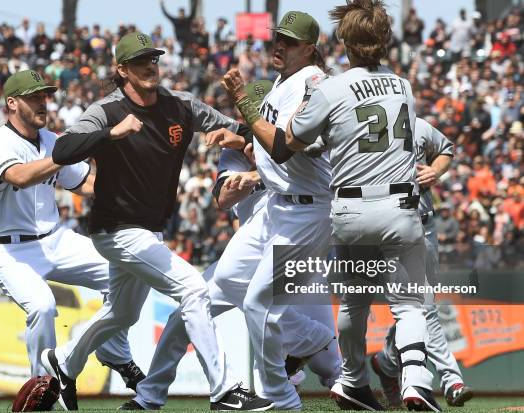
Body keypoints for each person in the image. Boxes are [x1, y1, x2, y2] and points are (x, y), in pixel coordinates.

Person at [222, 0, 441, 410]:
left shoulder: (331, 86)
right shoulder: (403, 87)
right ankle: (415, 379)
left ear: (341, 41)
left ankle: (348, 380)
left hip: (348, 210)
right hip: (400, 205)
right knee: (408, 303)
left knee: (353, 303)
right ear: (386, 41)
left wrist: (244, 104)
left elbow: (286, 146)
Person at [42, 32, 273, 411]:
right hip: (115, 229)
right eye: (140, 61)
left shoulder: (179, 105)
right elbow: (63, 150)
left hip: (148, 230)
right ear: (121, 69)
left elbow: (247, 128)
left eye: (153, 58)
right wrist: (111, 134)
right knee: (194, 290)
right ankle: (225, 389)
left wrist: (234, 136)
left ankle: (64, 362)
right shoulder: (107, 111)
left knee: (122, 313)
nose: (150, 65)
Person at [126, 80, 340, 410]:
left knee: (331, 367)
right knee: (185, 315)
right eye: (249, 114)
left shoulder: (298, 146)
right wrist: (250, 157)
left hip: (294, 255)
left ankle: (357, 383)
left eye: (261, 114)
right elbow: (224, 198)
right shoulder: (235, 152)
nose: (256, 120)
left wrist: (261, 170)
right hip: (248, 257)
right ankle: (149, 395)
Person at [0, 70, 144, 410]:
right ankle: (43, 391)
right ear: (12, 103)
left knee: (127, 268)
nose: (43, 102)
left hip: (54, 239)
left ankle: (113, 352)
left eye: (45, 95)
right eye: (34, 96)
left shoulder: (50, 140)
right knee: (42, 306)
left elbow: (81, 182)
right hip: (8, 248)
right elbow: (20, 177)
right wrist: (76, 149)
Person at [209, 11, 338, 409]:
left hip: (307, 210)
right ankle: (315, 342)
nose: (278, 46)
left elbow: (282, 147)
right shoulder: (284, 82)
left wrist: (243, 102)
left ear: (310, 48)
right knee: (229, 279)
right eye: (275, 39)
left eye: (289, 41)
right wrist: (243, 137)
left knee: (259, 304)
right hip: (279, 207)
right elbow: (268, 144)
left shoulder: (314, 82)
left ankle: (282, 394)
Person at [372, 118, 474, 408]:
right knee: (425, 305)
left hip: (426, 225)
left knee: (416, 307)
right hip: (392, 228)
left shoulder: (415, 123)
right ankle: (451, 380)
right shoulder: (363, 128)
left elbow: (446, 149)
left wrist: (435, 170)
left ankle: (388, 361)